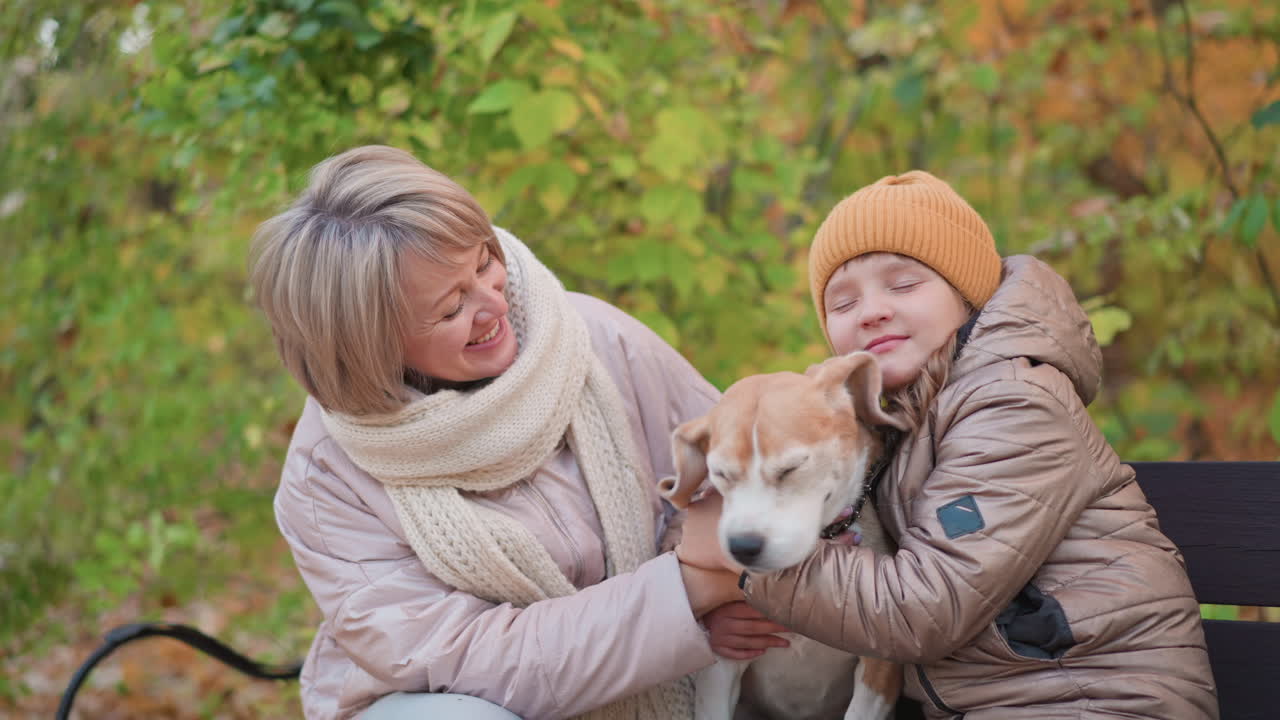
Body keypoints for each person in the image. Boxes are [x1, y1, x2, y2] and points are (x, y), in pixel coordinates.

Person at [682, 171, 1219, 718]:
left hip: (1094, 701)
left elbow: (925, 609)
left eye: (903, 284)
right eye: (842, 303)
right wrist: (741, 610)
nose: (871, 310)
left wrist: (746, 564)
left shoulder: (1015, 403)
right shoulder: (895, 418)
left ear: (968, 293)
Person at [249, 145, 744, 720]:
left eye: (484, 262)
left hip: (678, 664)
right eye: (452, 305)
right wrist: (688, 592)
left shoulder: (595, 338)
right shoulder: (328, 476)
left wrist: (712, 581)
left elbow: (731, 468)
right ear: (371, 346)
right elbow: (472, 660)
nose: (494, 302)